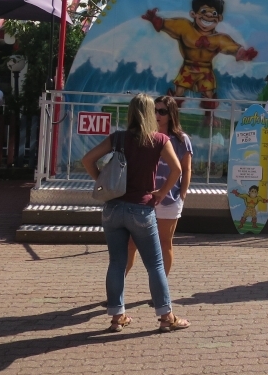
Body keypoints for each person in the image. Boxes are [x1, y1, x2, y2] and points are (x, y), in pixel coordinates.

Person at [81, 93, 189, 333]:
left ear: (130, 113)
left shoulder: (118, 138)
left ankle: (117, 317)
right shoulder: (159, 139)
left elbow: (87, 159)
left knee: (117, 264)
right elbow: (177, 169)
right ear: (150, 113)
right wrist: (161, 192)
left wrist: (102, 181)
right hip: (141, 209)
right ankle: (166, 317)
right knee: (155, 265)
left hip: (112, 208)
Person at [126, 96, 192, 277]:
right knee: (131, 243)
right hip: (144, 197)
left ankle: (160, 291)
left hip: (170, 198)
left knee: (164, 243)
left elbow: (186, 169)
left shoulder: (181, 139)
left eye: (162, 111)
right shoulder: (146, 135)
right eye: (154, 110)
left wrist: (183, 193)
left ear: (171, 114)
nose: (157, 115)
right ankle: (118, 287)